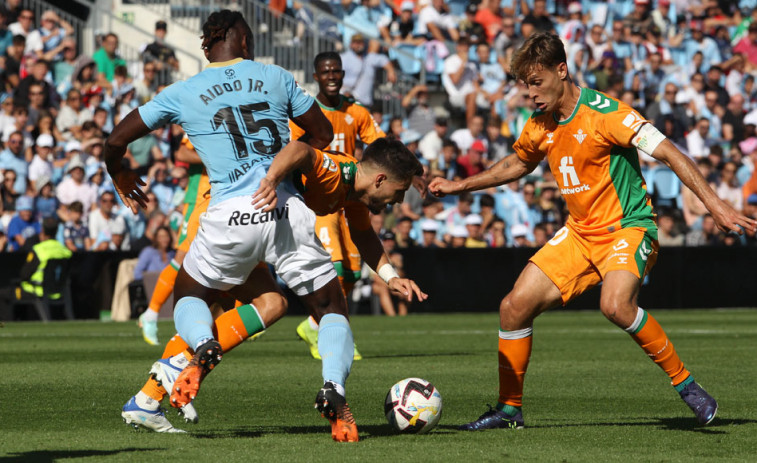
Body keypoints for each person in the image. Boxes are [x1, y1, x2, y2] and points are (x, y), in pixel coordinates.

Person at [429, 33, 756, 430]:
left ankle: (687, 386)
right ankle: (508, 409)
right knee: (512, 308)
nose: (530, 94)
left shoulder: (607, 113)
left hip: (627, 228)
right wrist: (459, 185)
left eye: (536, 82)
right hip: (580, 234)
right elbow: (517, 163)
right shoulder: (540, 124)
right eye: (524, 85)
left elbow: (670, 152)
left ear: (561, 70)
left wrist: (715, 204)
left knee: (615, 306)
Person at [107, 10, 364, 442]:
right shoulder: (275, 76)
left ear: (207, 45)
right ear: (244, 40)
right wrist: (291, 173)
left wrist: (121, 174)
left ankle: (198, 349)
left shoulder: (183, 91)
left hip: (230, 217)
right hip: (285, 210)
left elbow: (116, 140)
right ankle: (334, 387)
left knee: (193, 296)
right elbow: (320, 134)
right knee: (323, 306)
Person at [121, 138, 426, 436]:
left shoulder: (354, 188)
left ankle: (149, 397)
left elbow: (363, 235)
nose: (399, 200)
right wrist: (271, 180)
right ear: (380, 179)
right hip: (243, 213)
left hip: (256, 220)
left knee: (269, 304)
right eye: (399, 191)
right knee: (220, 304)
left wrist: (390, 276)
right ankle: (165, 377)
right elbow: (299, 150)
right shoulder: (334, 169)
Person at [289, 51, 385, 361]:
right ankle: (336, 336)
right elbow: (293, 150)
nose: (332, 76)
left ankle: (315, 325)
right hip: (320, 198)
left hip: (350, 198)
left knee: (354, 273)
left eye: (337, 71)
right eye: (326, 72)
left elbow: (379, 143)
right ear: (316, 76)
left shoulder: (356, 111)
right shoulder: (307, 112)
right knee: (337, 266)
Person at [0, 218, 71, 318]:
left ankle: (7, 326)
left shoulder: (39, 250)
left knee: (3, 294)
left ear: (42, 231)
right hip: (59, 291)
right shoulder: (65, 251)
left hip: (36, 291)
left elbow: (24, 274)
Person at [141, 20, 179, 87]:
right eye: (159, 30)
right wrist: (155, 64)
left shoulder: (169, 49)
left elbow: (177, 66)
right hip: (154, 82)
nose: (161, 33)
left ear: (166, 32)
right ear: (155, 32)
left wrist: (167, 64)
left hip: (167, 81)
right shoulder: (150, 47)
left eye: (163, 31)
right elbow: (145, 63)